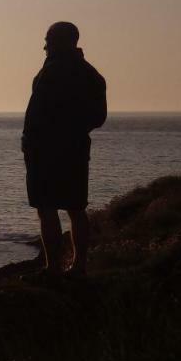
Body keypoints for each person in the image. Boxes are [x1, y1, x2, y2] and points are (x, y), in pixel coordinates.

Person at [22, 21, 107, 276]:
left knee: (47, 209)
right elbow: (98, 117)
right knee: (75, 208)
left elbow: (39, 113)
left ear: (61, 41)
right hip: (74, 149)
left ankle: (54, 267)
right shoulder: (91, 75)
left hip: (46, 150)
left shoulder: (52, 72)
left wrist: (41, 137)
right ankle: (78, 265)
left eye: (48, 38)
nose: (44, 45)